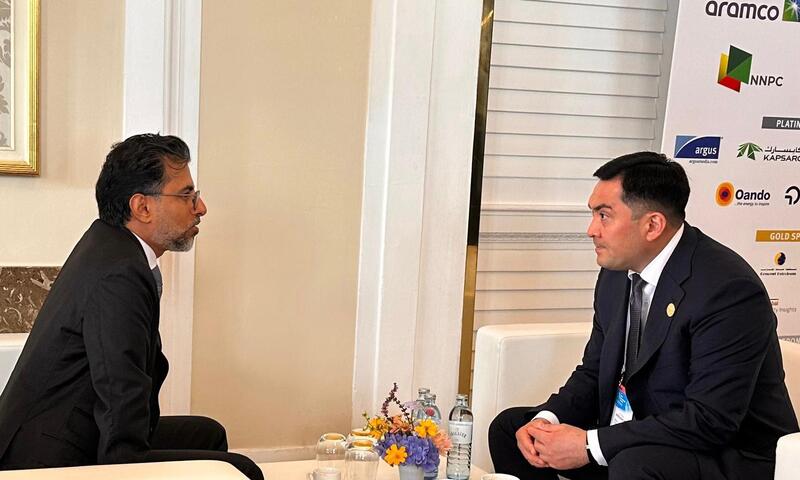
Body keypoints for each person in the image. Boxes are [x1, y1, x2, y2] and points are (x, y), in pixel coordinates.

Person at [488, 151, 798, 479]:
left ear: (652, 225)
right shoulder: (616, 271)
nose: (591, 230)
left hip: (727, 455)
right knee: (513, 429)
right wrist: (546, 420)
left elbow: (709, 420)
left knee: (634, 465)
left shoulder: (728, 290)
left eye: (604, 216)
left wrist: (590, 445)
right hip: (640, 438)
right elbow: (594, 371)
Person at [0, 134, 262, 480]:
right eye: (187, 195)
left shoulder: (110, 245)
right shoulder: (119, 272)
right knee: (242, 470)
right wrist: (131, 471)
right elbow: (120, 396)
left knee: (207, 434)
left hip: (76, 431)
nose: (200, 207)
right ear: (142, 207)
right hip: (47, 459)